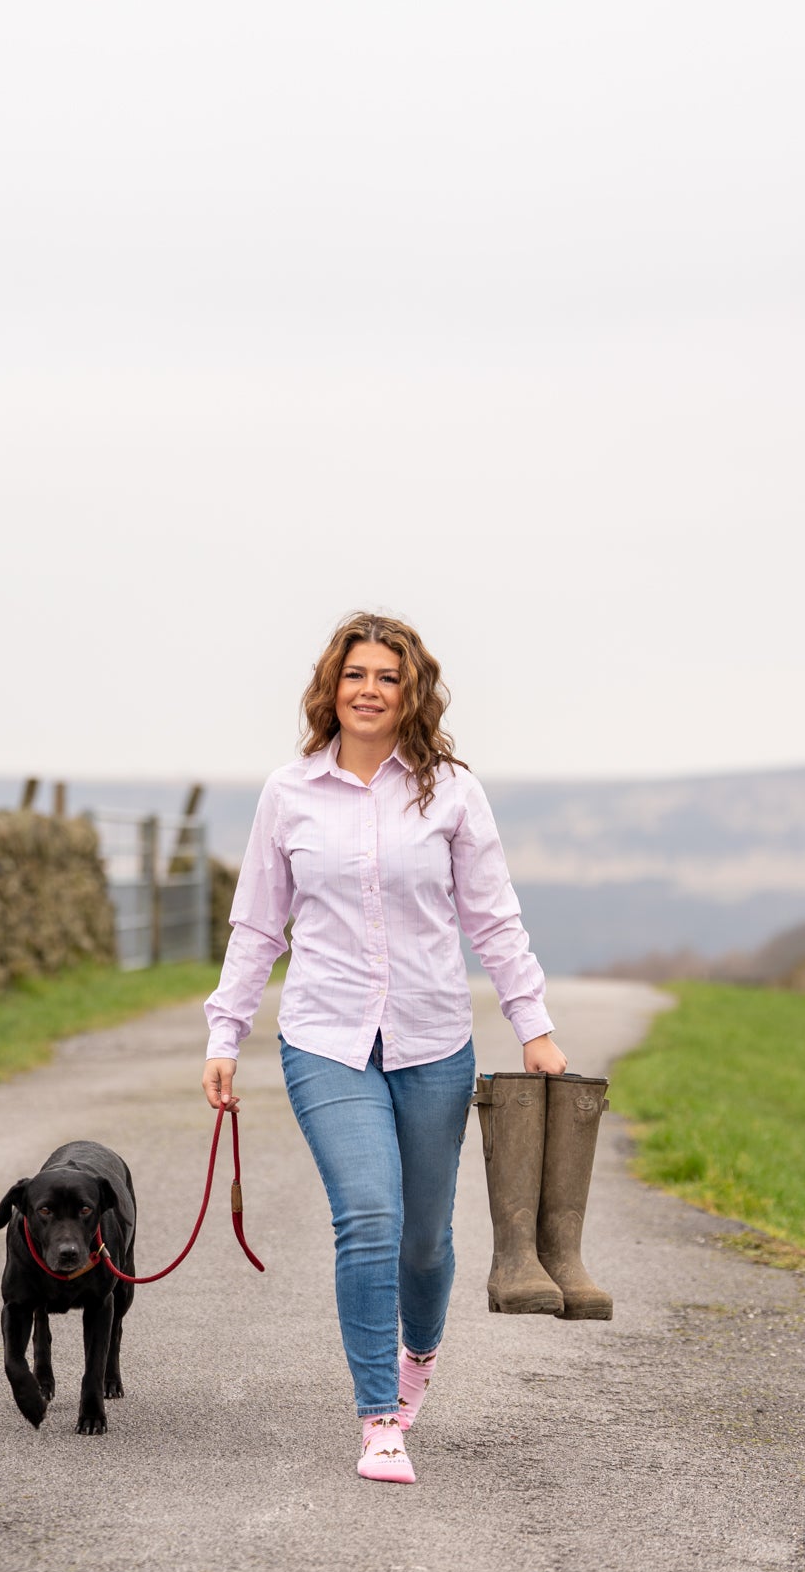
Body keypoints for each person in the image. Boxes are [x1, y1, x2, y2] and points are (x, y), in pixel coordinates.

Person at [202, 611, 566, 1486]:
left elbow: (492, 919)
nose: (369, 690)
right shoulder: (288, 792)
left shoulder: (452, 793)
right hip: (324, 1037)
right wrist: (224, 1033)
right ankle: (378, 1420)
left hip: (432, 1040)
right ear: (330, 688)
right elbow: (257, 925)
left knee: (424, 1241)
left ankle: (418, 1361)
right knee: (368, 1217)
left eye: (387, 677)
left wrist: (534, 1026)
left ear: (412, 693)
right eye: (355, 674)